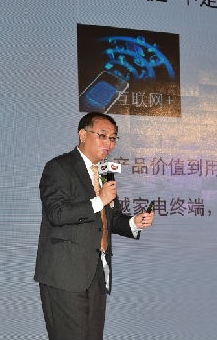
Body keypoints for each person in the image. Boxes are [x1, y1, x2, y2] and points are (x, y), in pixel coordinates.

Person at [34, 111, 155, 340]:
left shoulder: (105, 172)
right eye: (103, 135)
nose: (109, 143)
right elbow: (57, 214)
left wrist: (134, 222)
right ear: (83, 134)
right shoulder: (59, 167)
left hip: (97, 272)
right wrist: (99, 200)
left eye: (113, 138)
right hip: (65, 274)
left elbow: (110, 218)